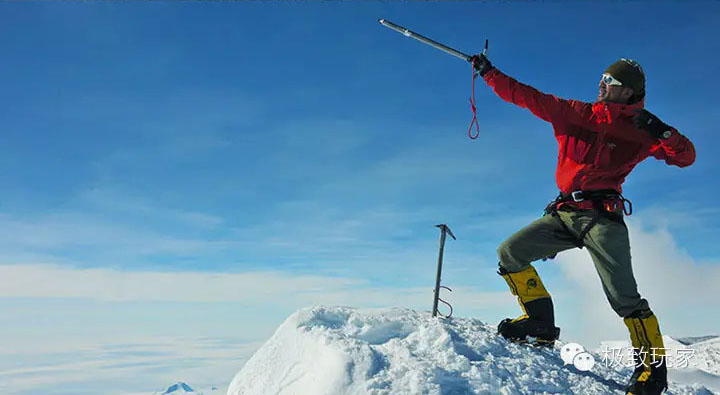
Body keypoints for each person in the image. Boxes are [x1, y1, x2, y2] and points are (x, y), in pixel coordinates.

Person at [470, 54, 695, 395]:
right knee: (510, 252)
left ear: (629, 92)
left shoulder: (642, 129)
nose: (603, 85)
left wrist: (663, 132)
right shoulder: (577, 113)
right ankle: (540, 324)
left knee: (624, 297)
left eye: (612, 83)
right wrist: (490, 73)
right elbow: (527, 96)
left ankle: (653, 372)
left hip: (603, 218)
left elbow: (685, 157)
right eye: (603, 79)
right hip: (563, 213)